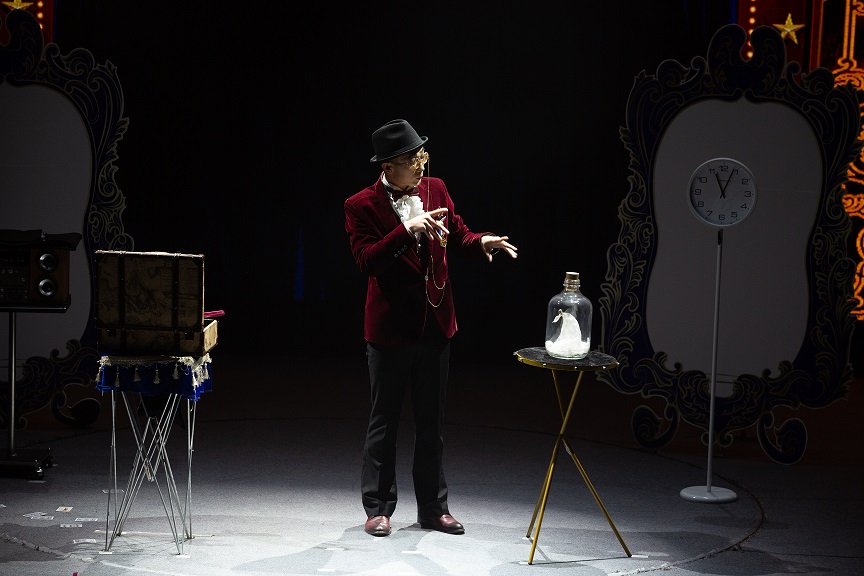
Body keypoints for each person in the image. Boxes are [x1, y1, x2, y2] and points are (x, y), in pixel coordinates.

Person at [344, 119, 518, 537]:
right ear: (388, 166)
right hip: (390, 331)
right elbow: (367, 260)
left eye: (421, 155)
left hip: (436, 324)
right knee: (384, 423)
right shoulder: (360, 205)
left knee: (431, 425)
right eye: (411, 160)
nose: (420, 165)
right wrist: (406, 230)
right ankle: (378, 508)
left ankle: (433, 508)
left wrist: (480, 242)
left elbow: (456, 234)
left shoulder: (435, 188)